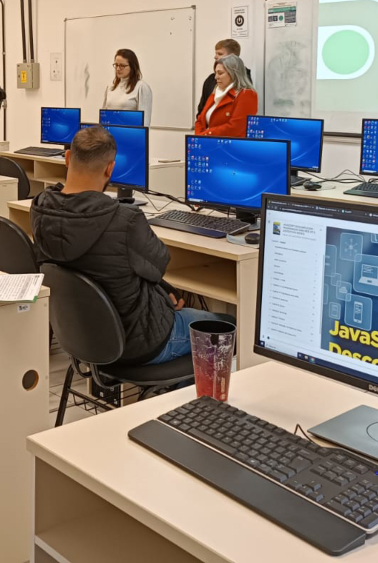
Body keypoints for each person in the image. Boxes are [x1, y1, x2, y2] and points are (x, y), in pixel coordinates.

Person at [31, 126, 231, 365]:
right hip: (138, 341)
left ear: (67, 159)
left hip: (82, 337)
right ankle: (185, 395)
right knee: (228, 326)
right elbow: (159, 265)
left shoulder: (40, 208)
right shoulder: (126, 220)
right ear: (110, 168)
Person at [194, 54, 258, 138]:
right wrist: (199, 138)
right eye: (215, 73)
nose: (216, 77)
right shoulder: (216, 91)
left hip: (229, 148)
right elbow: (200, 120)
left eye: (220, 73)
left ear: (233, 73)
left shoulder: (247, 94)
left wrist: (205, 135)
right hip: (207, 143)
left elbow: (236, 128)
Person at [196, 39, 252, 119]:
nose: (215, 56)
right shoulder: (211, 80)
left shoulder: (244, 81)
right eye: (216, 53)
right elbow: (202, 110)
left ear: (232, 57)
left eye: (220, 53)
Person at [104, 49, 153, 126]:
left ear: (132, 66)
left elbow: (145, 123)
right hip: (110, 134)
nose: (118, 69)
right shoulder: (110, 87)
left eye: (122, 66)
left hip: (129, 135)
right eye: (116, 65)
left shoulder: (141, 87)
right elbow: (103, 116)